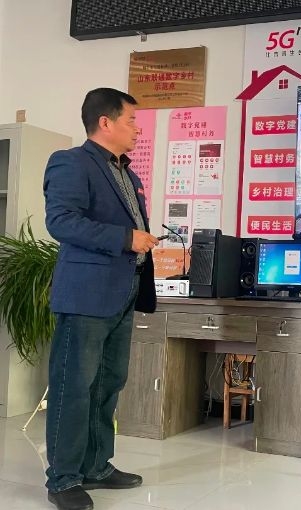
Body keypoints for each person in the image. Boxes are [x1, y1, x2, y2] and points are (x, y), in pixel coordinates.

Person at [43, 88, 159, 510]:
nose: (138, 130)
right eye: (132, 121)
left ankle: (96, 465)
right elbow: (62, 221)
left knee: (108, 385)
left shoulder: (129, 175)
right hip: (86, 296)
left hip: (122, 294)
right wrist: (127, 238)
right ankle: (63, 478)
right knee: (74, 387)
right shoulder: (71, 162)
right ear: (105, 122)